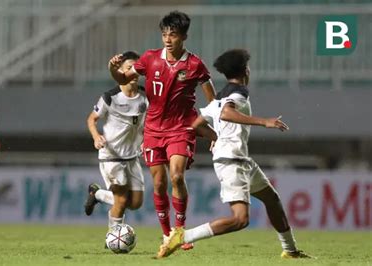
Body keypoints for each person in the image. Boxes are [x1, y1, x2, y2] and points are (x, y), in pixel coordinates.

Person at [157, 49, 311, 259]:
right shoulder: (238, 91)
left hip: (239, 159)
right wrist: (264, 121)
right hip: (232, 162)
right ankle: (182, 237)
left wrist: (215, 137)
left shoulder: (219, 96)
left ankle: (291, 250)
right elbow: (226, 113)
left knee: (272, 199)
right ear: (246, 70)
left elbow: (196, 125)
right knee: (240, 220)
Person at [107, 11, 216, 249]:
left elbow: (212, 99)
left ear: (184, 36)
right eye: (164, 34)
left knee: (176, 176)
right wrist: (112, 69)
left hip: (181, 128)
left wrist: (212, 125)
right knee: (158, 184)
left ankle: (180, 231)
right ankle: (167, 234)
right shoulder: (150, 58)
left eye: (173, 35)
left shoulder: (195, 64)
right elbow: (124, 78)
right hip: (154, 130)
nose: (167, 39)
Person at [84, 51, 147, 231]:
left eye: (136, 69)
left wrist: (146, 140)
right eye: (129, 68)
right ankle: (113, 236)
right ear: (121, 71)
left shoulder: (145, 96)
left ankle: (96, 193)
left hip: (132, 157)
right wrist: (96, 137)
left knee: (135, 203)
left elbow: (147, 123)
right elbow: (91, 119)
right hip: (111, 155)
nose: (133, 73)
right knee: (120, 199)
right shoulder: (110, 97)